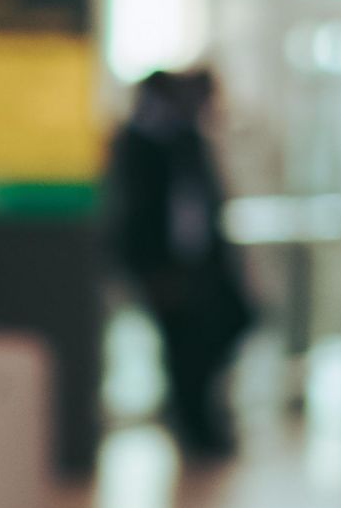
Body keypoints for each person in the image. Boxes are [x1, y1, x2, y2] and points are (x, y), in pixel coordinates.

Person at [108, 66, 254, 460]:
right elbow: (131, 216)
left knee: (227, 327)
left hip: (201, 264)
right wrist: (150, 269)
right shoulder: (139, 143)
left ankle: (203, 420)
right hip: (165, 268)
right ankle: (194, 426)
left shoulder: (188, 140)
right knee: (182, 348)